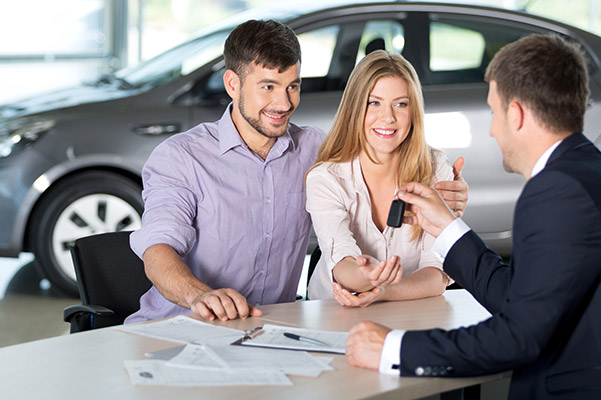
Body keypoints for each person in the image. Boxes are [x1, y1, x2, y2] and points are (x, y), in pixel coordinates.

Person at [126, 20, 468, 324]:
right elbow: (158, 249)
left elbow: (380, 154)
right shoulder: (182, 156)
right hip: (181, 325)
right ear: (232, 84)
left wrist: (452, 200)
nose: (284, 103)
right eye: (268, 86)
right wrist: (198, 295)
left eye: (293, 86)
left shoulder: (318, 152)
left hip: (271, 330)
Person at [345, 34, 601, 399]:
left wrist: (393, 349)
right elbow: (518, 297)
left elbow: (519, 336)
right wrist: (445, 226)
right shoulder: (585, 169)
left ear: (516, 114)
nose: (493, 129)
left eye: (494, 112)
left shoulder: (557, 190)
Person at [306, 51, 462, 306]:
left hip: (410, 310)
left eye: (401, 104)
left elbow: (437, 274)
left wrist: (383, 290)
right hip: (335, 310)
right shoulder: (326, 178)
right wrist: (364, 275)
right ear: (355, 108)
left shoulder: (436, 171)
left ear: (414, 112)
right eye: (374, 102)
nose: (388, 117)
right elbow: (342, 263)